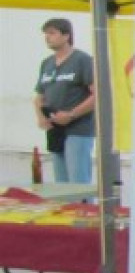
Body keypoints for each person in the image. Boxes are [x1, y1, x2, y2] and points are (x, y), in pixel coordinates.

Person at [33, 17, 96, 184]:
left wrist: (71, 114)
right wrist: (41, 117)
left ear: (66, 35)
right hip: (55, 128)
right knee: (61, 183)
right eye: (46, 34)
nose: (47, 37)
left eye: (52, 33)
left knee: (78, 180)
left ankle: (84, 202)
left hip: (78, 129)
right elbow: (39, 96)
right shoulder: (47, 63)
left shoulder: (82, 60)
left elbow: (97, 95)